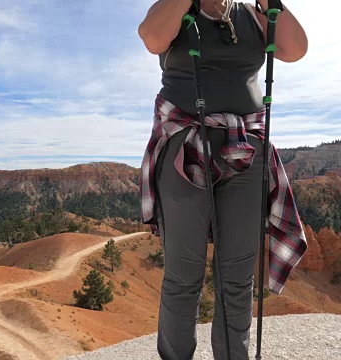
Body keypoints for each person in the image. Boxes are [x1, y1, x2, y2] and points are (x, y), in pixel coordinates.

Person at [137, 1, 308, 359]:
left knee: (237, 277)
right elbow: (152, 37)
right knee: (184, 274)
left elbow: (295, 49)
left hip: (247, 148)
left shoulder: (253, 13)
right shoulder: (179, 7)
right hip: (186, 149)